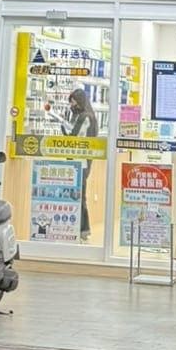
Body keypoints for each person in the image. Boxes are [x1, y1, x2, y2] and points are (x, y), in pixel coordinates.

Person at [62, 85, 98, 240]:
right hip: (82, 162)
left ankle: (82, 229)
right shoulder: (87, 116)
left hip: (80, 162)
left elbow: (73, 136)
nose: (71, 105)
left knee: (79, 195)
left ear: (79, 101)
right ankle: (81, 229)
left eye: (73, 102)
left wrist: (63, 123)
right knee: (79, 195)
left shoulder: (84, 117)